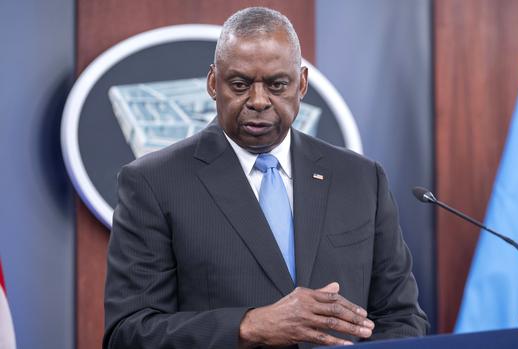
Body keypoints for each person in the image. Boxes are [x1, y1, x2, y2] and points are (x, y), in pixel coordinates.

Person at [104, 7, 429, 349]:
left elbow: (402, 319)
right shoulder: (154, 182)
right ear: (214, 83)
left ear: (301, 84)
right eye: (240, 84)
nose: (258, 101)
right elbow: (129, 333)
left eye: (277, 84)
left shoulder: (361, 179)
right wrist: (248, 325)